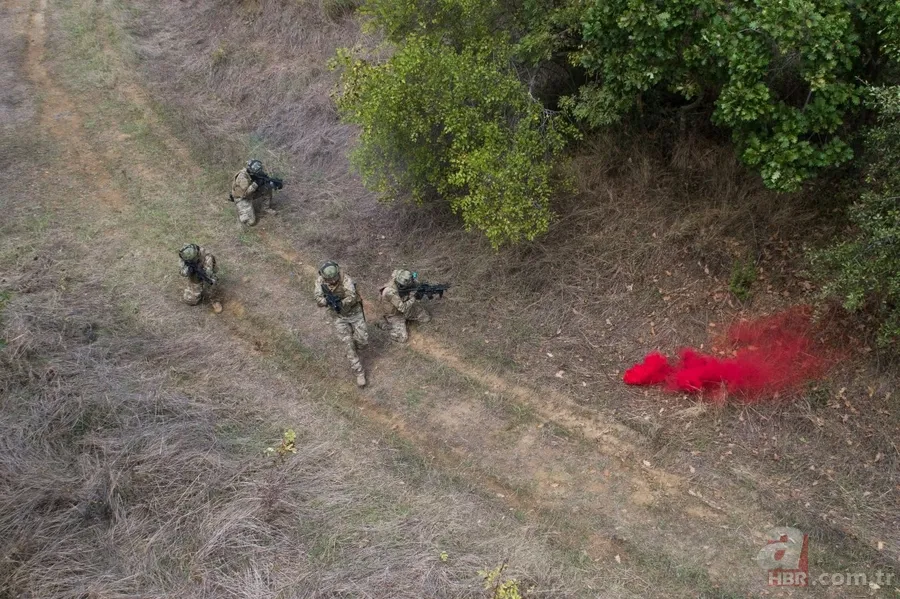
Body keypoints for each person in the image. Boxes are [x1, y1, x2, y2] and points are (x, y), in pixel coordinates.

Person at [314, 261, 369, 387]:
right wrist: (327, 301)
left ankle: (357, 346)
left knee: (363, 341)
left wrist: (341, 303)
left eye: (334, 278)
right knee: (347, 343)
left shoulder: (346, 279)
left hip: (354, 313)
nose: (333, 281)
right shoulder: (320, 282)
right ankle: (359, 372)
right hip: (338, 317)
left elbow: (352, 295)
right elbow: (318, 298)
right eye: (329, 279)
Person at [379, 269, 432, 343]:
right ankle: (384, 324)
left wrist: (423, 289)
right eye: (402, 286)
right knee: (402, 338)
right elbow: (402, 308)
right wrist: (414, 298)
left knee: (426, 318)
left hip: (406, 306)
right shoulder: (389, 291)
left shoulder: (407, 280)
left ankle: (404, 321)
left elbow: (416, 285)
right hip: (395, 314)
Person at [230, 159, 277, 226]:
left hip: (250, 193)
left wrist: (267, 183)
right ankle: (242, 213)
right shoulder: (243, 177)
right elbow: (245, 194)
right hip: (242, 198)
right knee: (251, 222)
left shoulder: (252, 173)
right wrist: (255, 184)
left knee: (267, 187)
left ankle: (265, 209)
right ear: (251, 170)